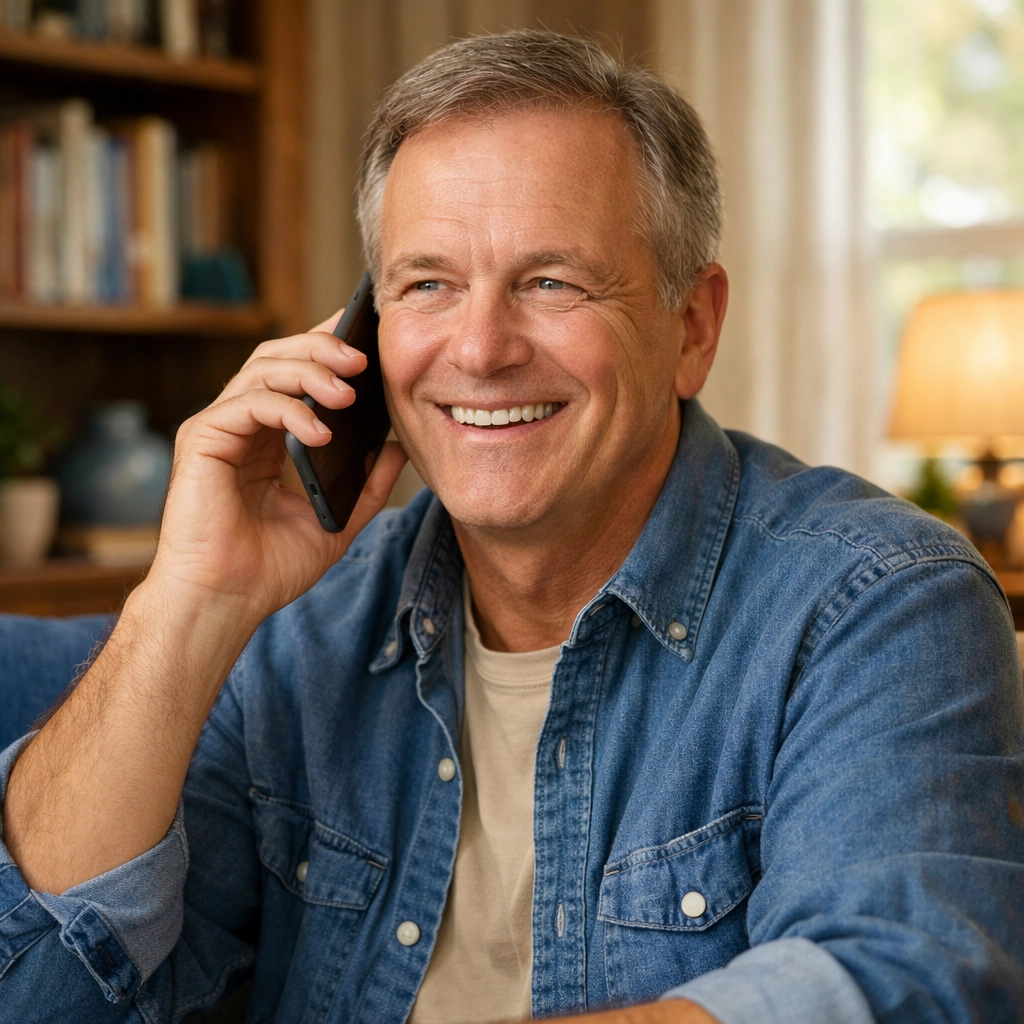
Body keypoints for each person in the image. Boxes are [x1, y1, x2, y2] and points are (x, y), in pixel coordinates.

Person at [1, 29, 1023, 1024]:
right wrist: (187, 603)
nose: (480, 348)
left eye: (550, 281)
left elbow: (901, 983)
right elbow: (41, 992)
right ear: (364, 335)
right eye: (427, 285)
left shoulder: (877, 600)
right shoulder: (297, 633)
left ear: (692, 328)